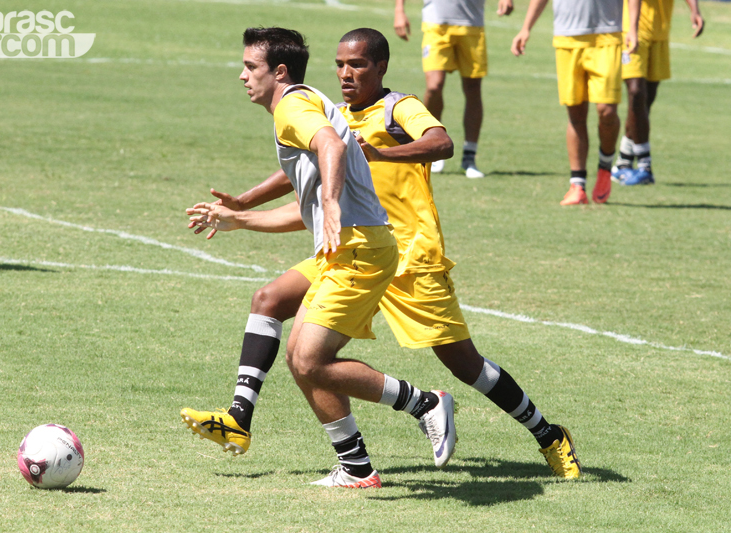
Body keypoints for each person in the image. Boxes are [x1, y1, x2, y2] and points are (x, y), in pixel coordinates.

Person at [183, 28, 582, 481]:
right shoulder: (328, 114)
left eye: (357, 65)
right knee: (271, 303)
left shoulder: (398, 108)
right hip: (351, 248)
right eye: (339, 65)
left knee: (464, 364)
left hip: (410, 256)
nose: (346, 73)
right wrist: (245, 203)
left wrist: (383, 153)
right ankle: (277, 432)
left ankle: (549, 435)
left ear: (381, 67)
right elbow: (303, 188)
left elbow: (442, 143)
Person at [181, 26, 457, 489]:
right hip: (343, 249)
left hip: (361, 251)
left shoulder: (293, 105)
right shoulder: (300, 106)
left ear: (280, 72)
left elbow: (330, 146)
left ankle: (426, 404)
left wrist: (331, 202)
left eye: (251, 67)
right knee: (287, 336)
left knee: (311, 360)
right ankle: (353, 467)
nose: (243, 76)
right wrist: (242, 216)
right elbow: (304, 205)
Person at [511, 0, 640, 205]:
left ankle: (605, 169)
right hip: (567, 36)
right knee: (576, 113)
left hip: (607, 35)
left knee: (606, 112)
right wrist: (526, 28)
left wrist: (633, 28)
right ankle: (577, 185)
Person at [393, 0, 515, 177]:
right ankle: (431, 147)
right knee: (434, 86)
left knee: (473, 88)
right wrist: (399, 10)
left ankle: (469, 158)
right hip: (436, 23)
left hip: (471, 23)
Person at [613, 0, 704, 186]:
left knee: (645, 102)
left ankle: (623, 162)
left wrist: (694, 10)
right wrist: (632, 28)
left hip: (659, 32)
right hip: (631, 31)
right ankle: (645, 165)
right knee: (636, 93)